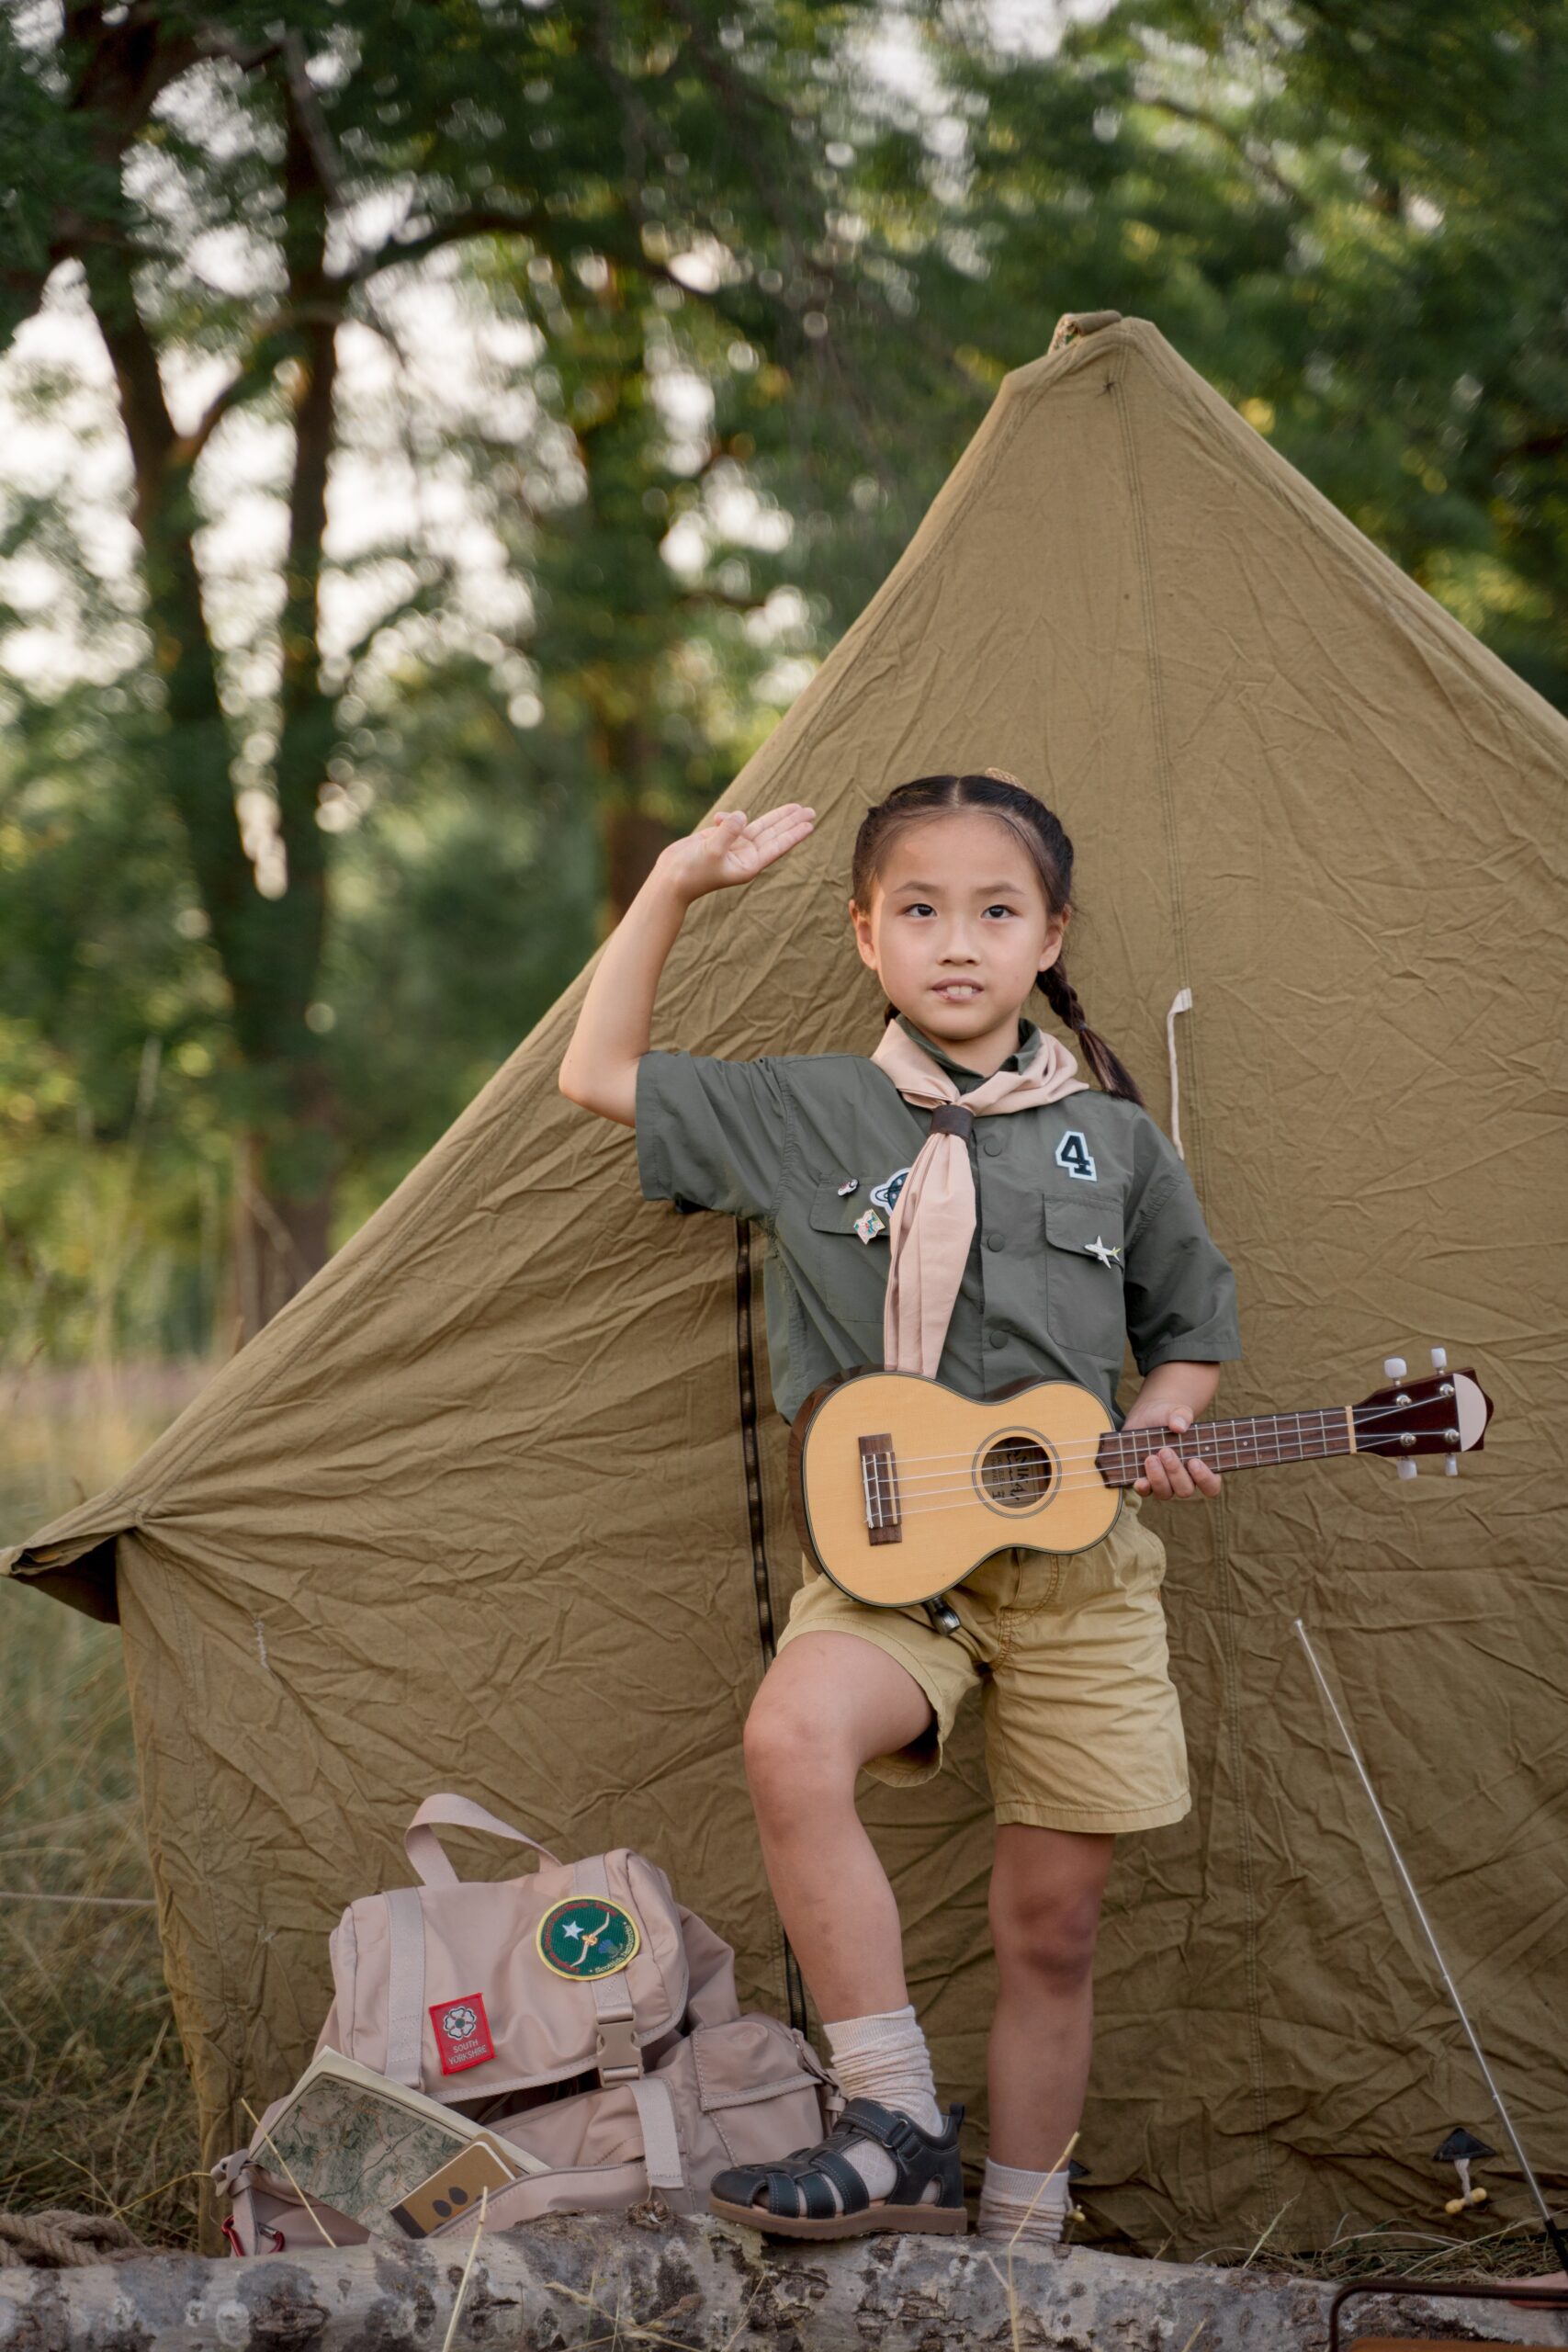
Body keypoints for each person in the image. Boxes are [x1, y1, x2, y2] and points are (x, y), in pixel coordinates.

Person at [558, 771, 1240, 2245]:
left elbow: (1187, 1333)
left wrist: (1160, 1432)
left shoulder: (1113, 1140)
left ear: (1049, 934)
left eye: (996, 912)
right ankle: (893, 2119)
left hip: (1078, 1576)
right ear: (865, 935)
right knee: (787, 1734)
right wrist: (674, 884)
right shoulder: (809, 1109)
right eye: (918, 911)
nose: (957, 943)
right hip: (885, 1568)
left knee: (1047, 1929)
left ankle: (1019, 2253)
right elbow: (596, 1071)